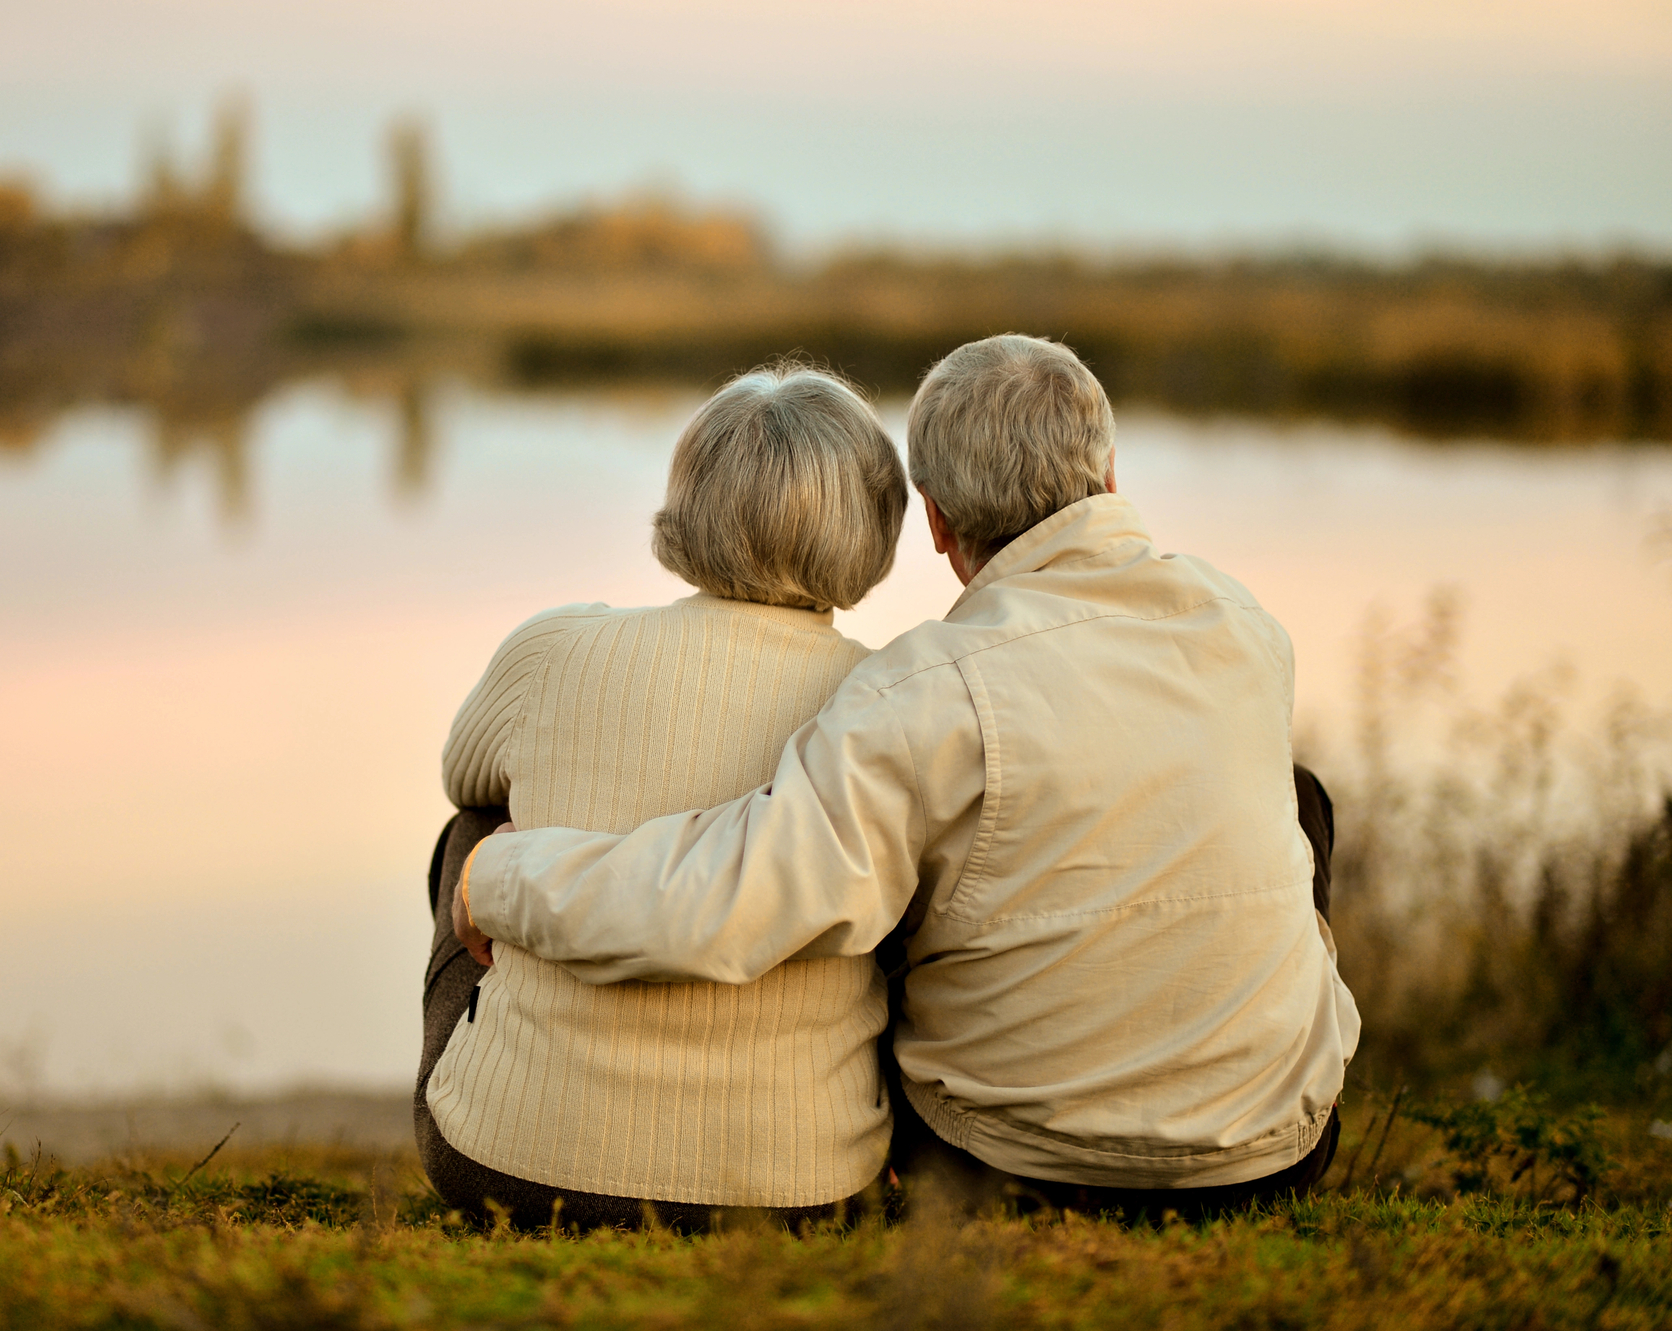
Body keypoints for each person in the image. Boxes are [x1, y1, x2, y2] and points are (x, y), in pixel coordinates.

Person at [457, 334, 1361, 1222]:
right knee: (1297, 797)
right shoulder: (1247, 626)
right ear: (1112, 474)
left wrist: (496, 873)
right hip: (1272, 1153)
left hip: (1009, 1161)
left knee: (893, 871)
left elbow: (736, 896)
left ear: (931, 519)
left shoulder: (925, 689)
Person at [418, 362, 909, 1231]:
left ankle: (519, 1076)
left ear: (687, 504)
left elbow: (465, 774)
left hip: (509, 1164)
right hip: (802, 1185)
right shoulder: (889, 699)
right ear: (876, 524)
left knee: (475, 830)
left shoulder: (554, 648)